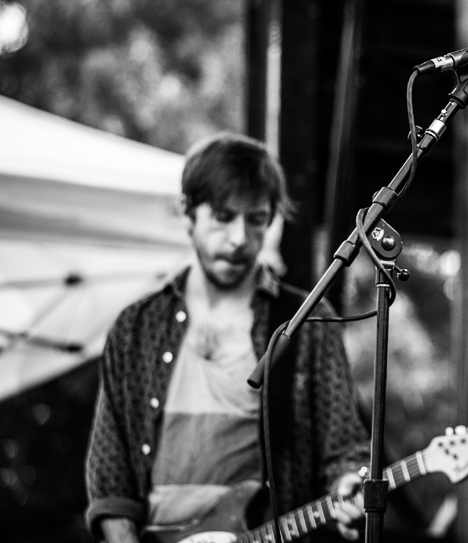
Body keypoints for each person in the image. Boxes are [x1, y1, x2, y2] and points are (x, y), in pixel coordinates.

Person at [86, 133, 371, 542]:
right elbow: (110, 479)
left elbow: (344, 445)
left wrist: (348, 485)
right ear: (189, 213)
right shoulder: (136, 327)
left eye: (256, 219)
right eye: (223, 216)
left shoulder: (305, 321)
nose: (239, 239)